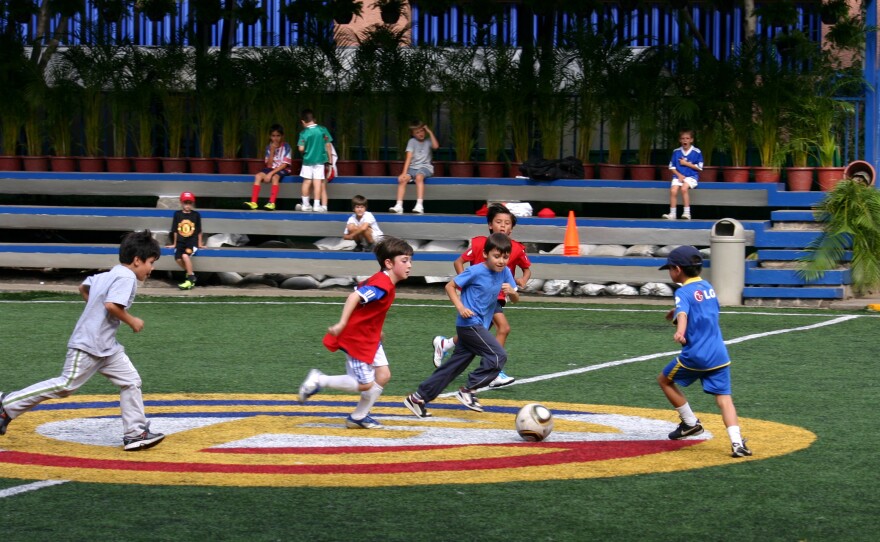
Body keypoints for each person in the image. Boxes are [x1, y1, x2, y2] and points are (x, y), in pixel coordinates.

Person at [0, 230, 165, 451]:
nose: (151, 269)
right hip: (89, 343)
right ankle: (7, 404)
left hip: (107, 347)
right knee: (67, 384)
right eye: (151, 263)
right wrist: (132, 321)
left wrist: (93, 306)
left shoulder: (109, 274)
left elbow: (83, 286)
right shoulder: (127, 278)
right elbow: (111, 305)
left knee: (131, 381)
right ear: (137, 261)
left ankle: (135, 434)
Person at [297, 237, 414, 429]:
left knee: (383, 375)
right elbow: (355, 296)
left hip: (370, 336)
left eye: (410, 260)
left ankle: (358, 417)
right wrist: (342, 323)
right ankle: (319, 379)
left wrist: (377, 328)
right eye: (404, 260)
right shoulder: (382, 285)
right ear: (388, 263)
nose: (409, 265)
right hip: (358, 338)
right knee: (364, 384)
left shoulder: (382, 281)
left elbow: (364, 299)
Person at [404, 232, 520, 418]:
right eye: (496, 256)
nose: (501, 261)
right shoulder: (475, 271)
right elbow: (450, 286)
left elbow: (515, 298)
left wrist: (511, 292)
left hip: (479, 326)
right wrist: (460, 307)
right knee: (498, 356)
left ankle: (418, 398)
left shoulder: (505, 272)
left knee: (452, 368)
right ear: (485, 254)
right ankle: (468, 390)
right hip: (469, 325)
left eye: (505, 257)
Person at [656, 245, 752, 458]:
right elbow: (706, 311)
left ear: (678, 269)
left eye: (670, 269)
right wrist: (679, 313)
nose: (670, 273)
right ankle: (737, 443)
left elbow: (683, 313)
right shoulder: (708, 286)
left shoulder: (682, 291)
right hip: (719, 355)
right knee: (724, 399)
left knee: (664, 380)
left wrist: (680, 331)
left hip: (696, 356)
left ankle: (690, 423)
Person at [432, 204, 531, 388]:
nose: (503, 226)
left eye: (507, 223)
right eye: (498, 222)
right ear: (490, 225)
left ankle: (445, 344)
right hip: (481, 299)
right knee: (503, 328)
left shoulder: (516, 248)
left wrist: (521, 282)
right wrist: (465, 286)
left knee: (477, 333)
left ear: (512, 227)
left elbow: (526, 270)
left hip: (496, 297)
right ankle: (494, 370)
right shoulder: (479, 243)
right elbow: (459, 262)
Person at [390, 120, 439, 215]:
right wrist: (404, 173)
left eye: (422, 131)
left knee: (419, 177)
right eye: (417, 132)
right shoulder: (411, 142)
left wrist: (430, 132)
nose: (420, 133)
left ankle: (419, 205)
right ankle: (399, 205)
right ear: (413, 134)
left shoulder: (428, 141)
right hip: (413, 168)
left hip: (425, 167)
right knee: (403, 180)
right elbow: (408, 158)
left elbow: (436, 146)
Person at [245, 123, 293, 211]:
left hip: (283, 169)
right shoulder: (269, 147)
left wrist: (270, 174)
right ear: (270, 136)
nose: (275, 138)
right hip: (271, 168)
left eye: (278, 136)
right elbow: (269, 165)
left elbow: (284, 165)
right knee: (258, 176)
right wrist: (272, 151)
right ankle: (254, 202)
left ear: (282, 136)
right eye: (273, 136)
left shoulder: (286, 147)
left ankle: (271, 203)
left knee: (275, 177)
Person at [295, 109, 333, 213]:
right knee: (317, 182)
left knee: (307, 182)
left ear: (303, 121)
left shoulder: (304, 133)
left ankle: (306, 205)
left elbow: (301, 148)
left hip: (307, 161)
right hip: (320, 161)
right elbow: (328, 145)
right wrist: (330, 161)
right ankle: (317, 205)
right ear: (314, 119)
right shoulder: (322, 130)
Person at [167, 191, 204, 290]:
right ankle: (191, 274)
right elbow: (175, 230)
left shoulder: (196, 215)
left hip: (192, 242)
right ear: (181, 203)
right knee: (178, 258)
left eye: (189, 203)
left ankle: (190, 279)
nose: (187, 205)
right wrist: (174, 244)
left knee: (184, 255)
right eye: (185, 203)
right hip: (180, 242)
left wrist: (199, 243)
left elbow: (199, 230)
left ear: (192, 203)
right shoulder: (177, 214)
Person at [663, 129, 703, 220]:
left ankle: (687, 213)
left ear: (691, 140)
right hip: (678, 176)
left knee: (684, 188)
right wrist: (679, 175)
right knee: (673, 191)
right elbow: (671, 166)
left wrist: (686, 164)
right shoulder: (676, 152)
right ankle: (672, 214)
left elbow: (700, 167)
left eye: (687, 138)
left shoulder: (697, 152)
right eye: (683, 138)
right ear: (680, 140)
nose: (685, 140)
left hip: (691, 176)